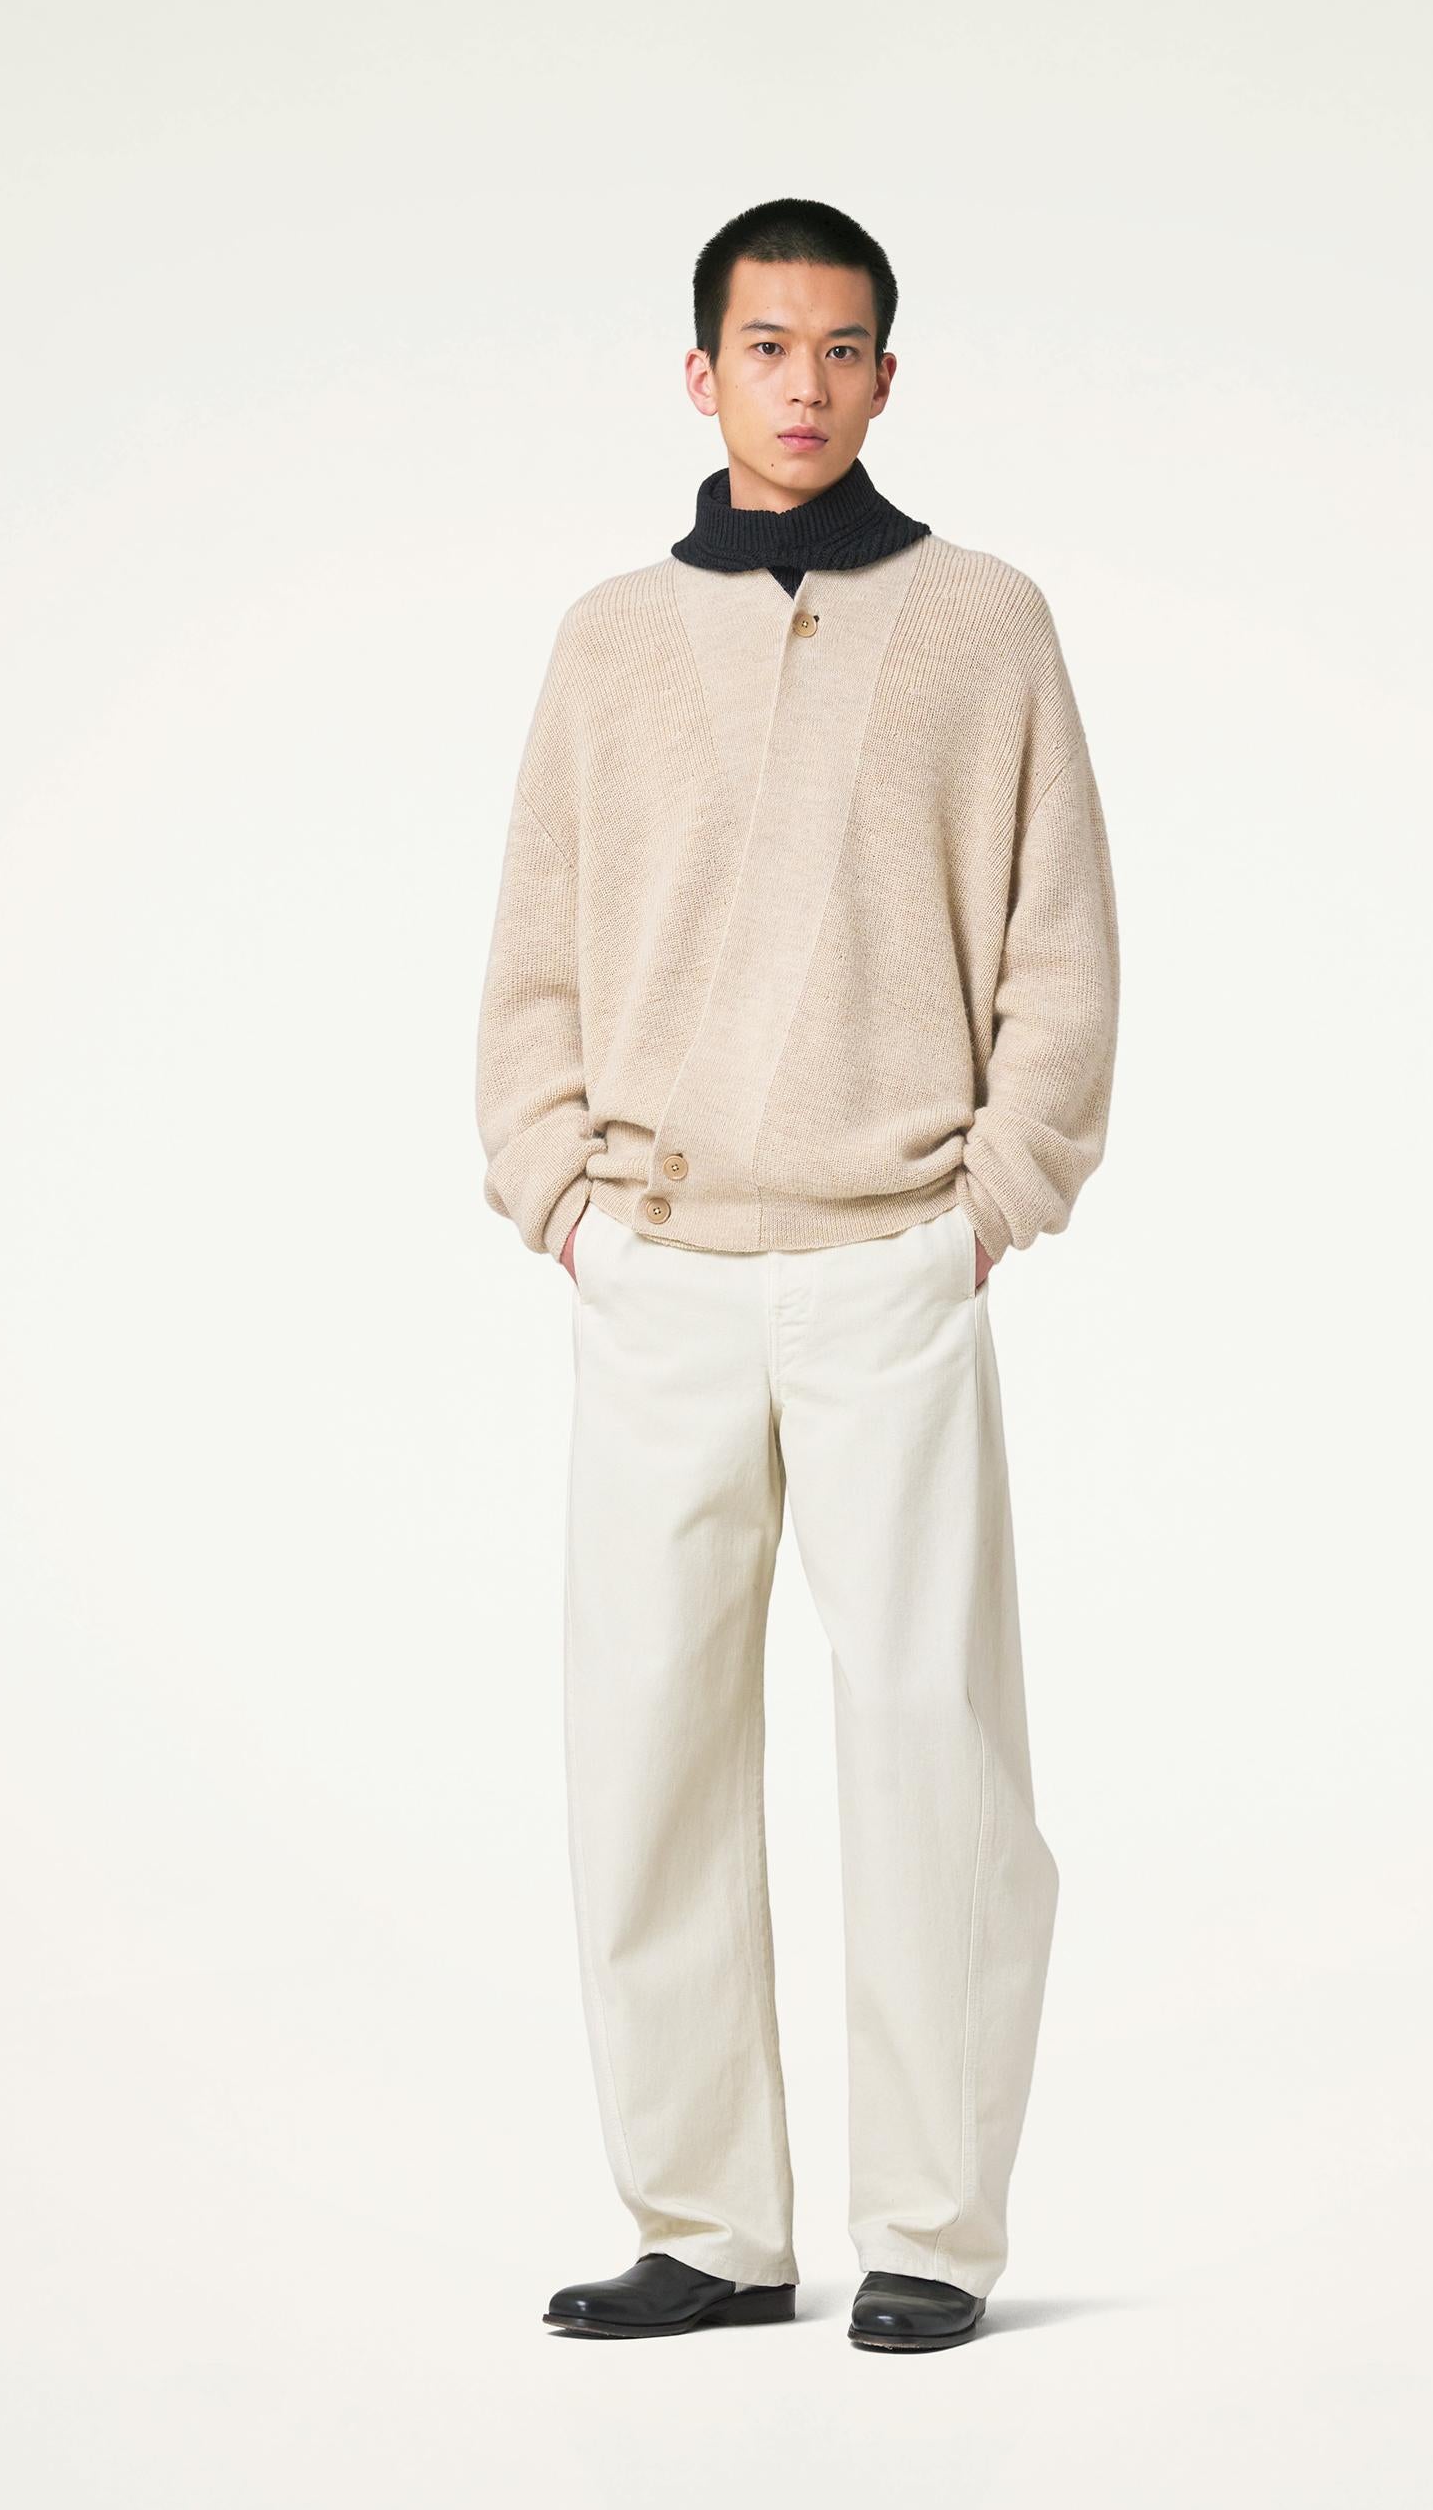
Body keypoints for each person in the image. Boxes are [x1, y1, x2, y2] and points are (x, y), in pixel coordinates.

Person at [474, 197, 1120, 2353]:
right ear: (702, 373)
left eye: (843, 348)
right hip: (654, 1266)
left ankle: (930, 2222)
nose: (805, 383)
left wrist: (988, 1203)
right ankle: (709, 2228)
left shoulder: (987, 625)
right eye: (767, 346)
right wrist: (562, 1197)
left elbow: (1058, 946)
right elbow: (534, 954)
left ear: (886, 377)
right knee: (644, 1746)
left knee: (933, 1742)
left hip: (887, 1266)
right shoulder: (603, 642)